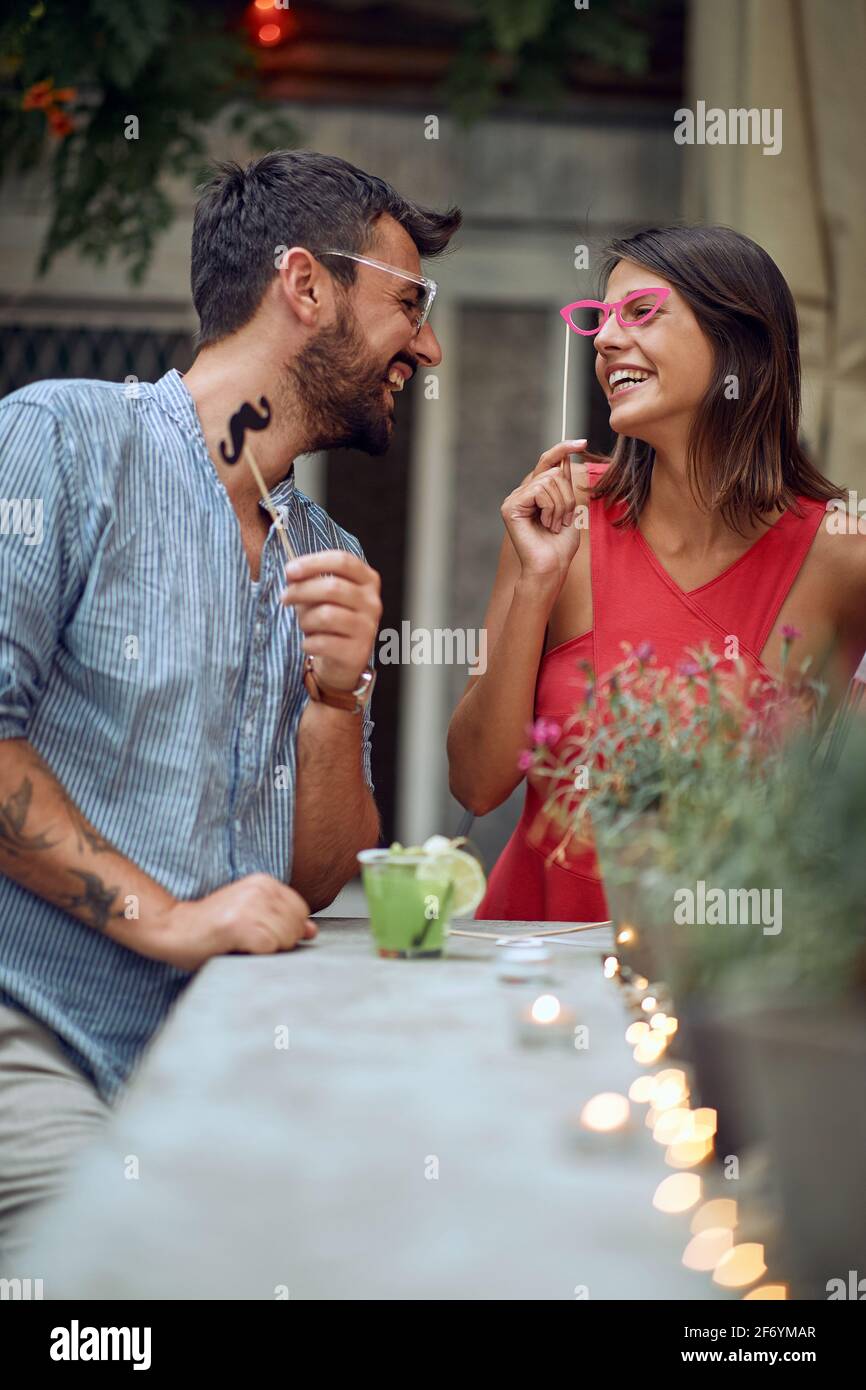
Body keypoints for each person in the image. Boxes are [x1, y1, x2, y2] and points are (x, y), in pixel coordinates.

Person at [0, 150, 461, 1264]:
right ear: (305, 286)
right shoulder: (62, 439)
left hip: (217, 1057)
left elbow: (308, 877)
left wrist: (337, 699)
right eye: (409, 303)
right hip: (33, 1033)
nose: (428, 346)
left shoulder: (329, 550)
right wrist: (171, 920)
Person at [448, 224, 866, 923]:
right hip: (540, 982)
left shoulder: (842, 557)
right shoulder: (562, 519)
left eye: (639, 312)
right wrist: (534, 586)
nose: (606, 341)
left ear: (741, 341)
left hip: (726, 1003)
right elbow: (476, 783)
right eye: (602, 320)